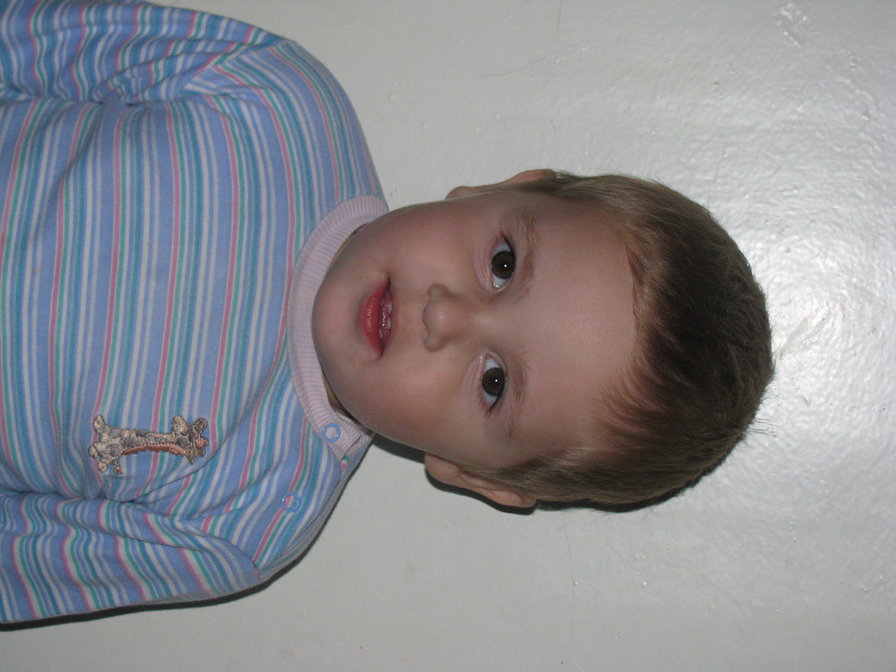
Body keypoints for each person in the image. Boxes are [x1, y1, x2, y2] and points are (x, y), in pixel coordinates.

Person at [0, 0, 771, 624]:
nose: (446, 319)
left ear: (473, 475)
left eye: (494, 383)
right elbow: (28, 38)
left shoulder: (245, 518)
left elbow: (22, 558)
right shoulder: (276, 101)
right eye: (503, 264)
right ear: (503, 188)